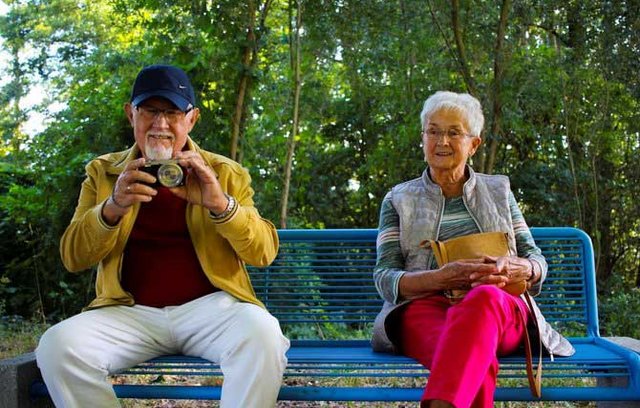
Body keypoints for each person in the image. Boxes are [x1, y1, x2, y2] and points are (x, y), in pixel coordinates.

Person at [35, 64, 290, 408]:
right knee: (57, 346)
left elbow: (263, 252)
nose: (160, 125)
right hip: (130, 313)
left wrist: (220, 204)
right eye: (150, 111)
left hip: (211, 310)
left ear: (192, 119)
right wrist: (112, 206)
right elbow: (73, 256)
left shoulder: (224, 172)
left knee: (263, 335)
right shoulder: (105, 172)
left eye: (171, 112)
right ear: (131, 115)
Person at [371, 91, 575, 408]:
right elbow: (385, 277)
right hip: (425, 307)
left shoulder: (499, 191)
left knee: (483, 299)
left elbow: (536, 260)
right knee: (470, 356)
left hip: (500, 307)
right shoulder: (398, 199)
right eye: (433, 131)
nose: (442, 141)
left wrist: (523, 268)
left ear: (474, 144)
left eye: (454, 132)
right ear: (422, 137)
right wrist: (440, 279)